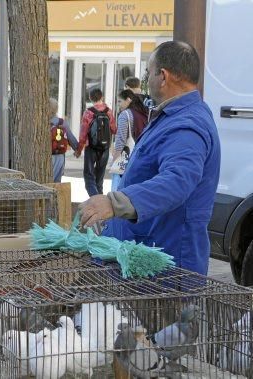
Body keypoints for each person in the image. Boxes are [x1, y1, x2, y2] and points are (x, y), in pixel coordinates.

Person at [79, 41, 221, 276]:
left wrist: (114, 203)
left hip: (165, 269)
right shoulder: (172, 116)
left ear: (162, 76)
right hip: (144, 256)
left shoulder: (186, 125)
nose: (145, 80)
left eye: (148, 73)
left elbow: (177, 181)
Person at [74, 88, 117, 196]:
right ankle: (100, 202)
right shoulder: (108, 111)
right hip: (105, 149)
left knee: (89, 176)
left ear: (90, 98)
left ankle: (94, 198)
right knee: (100, 177)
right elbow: (114, 129)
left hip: (91, 148)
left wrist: (79, 150)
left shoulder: (88, 112)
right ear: (102, 97)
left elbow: (83, 134)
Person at [110, 89, 149, 191]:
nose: (118, 105)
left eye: (119, 101)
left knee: (118, 193)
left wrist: (115, 160)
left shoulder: (125, 115)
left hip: (126, 161)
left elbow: (120, 141)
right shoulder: (144, 113)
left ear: (128, 100)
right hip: (141, 158)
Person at [49, 98, 78, 183]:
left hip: (46, 156)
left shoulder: (41, 122)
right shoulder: (61, 122)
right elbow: (71, 138)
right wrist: (77, 149)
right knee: (57, 183)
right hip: (60, 156)